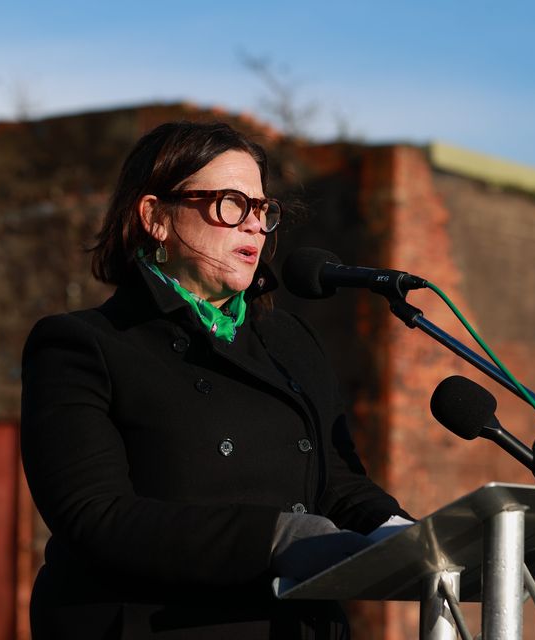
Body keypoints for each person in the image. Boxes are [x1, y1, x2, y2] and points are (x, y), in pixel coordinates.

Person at [20, 121, 411, 639]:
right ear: (156, 217)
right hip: (159, 624)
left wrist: (403, 534)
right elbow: (96, 516)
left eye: (261, 209)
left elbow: (336, 482)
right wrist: (277, 538)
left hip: (292, 627)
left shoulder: (289, 340)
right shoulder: (81, 345)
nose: (253, 225)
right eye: (231, 203)